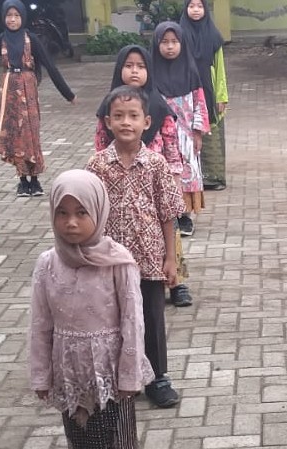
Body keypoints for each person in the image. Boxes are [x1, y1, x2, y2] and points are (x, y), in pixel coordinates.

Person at [30, 169, 152, 449]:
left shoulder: (118, 262)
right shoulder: (48, 264)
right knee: (80, 443)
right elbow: (40, 323)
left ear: (98, 212)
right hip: (71, 373)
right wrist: (42, 375)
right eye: (62, 213)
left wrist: (130, 374)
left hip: (110, 372)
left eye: (81, 213)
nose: (71, 223)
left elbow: (133, 321)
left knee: (117, 443)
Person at [86, 86, 185, 409]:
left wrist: (170, 259)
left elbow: (168, 213)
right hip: (110, 261)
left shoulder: (156, 164)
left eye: (133, 116)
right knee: (113, 319)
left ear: (147, 122)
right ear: (108, 122)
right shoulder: (97, 165)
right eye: (118, 116)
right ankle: (119, 377)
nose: (126, 122)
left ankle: (158, 378)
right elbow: (88, 214)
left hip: (150, 259)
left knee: (152, 319)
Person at [94, 44, 192, 308]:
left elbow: (171, 147)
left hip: (155, 182)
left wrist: (174, 179)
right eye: (128, 66)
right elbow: (100, 143)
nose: (134, 71)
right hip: (118, 182)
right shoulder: (108, 106)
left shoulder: (159, 106)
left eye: (141, 66)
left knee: (168, 228)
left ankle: (177, 282)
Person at [0, 0, 76, 198]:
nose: (12, 20)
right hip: (9, 92)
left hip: (29, 90)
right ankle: (22, 180)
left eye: (16, 16)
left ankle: (35, 180)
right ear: (3, 18)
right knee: (16, 136)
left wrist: (68, 94)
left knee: (31, 134)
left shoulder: (31, 39)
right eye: (9, 16)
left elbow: (50, 65)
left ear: (22, 17)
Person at [152, 21, 210, 238]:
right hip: (159, 138)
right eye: (164, 42)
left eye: (174, 42)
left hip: (186, 136)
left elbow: (199, 102)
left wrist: (198, 132)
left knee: (187, 173)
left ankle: (184, 216)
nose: (170, 46)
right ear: (156, 44)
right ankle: (165, 216)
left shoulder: (191, 71)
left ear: (182, 44)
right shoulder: (151, 73)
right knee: (163, 174)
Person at [180, 0, 229, 191]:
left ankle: (214, 177)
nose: (195, 10)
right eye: (191, 6)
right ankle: (193, 176)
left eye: (200, 6)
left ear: (206, 9)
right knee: (189, 131)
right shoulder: (179, 35)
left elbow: (220, 68)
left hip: (209, 88)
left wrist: (221, 96)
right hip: (187, 89)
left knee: (211, 130)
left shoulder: (213, 36)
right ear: (186, 9)